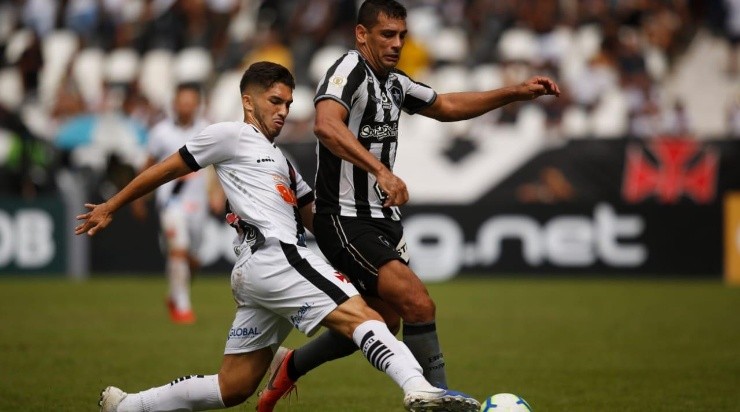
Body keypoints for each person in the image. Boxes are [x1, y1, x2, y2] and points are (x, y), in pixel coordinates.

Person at [76, 61, 480, 412]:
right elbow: (167, 168)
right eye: (275, 101)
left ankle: (129, 405)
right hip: (276, 256)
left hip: (258, 271)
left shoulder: (281, 162)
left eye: (288, 103)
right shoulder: (230, 135)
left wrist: (371, 231)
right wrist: (112, 205)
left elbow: (317, 218)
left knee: (233, 386)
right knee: (366, 318)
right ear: (247, 101)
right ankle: (419, 387)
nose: (284, 111)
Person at [256, 1, 560, 410]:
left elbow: (446, 106)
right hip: (344, 217)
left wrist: (514, 93)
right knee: (418, 302)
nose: (397, 43)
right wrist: (380, 171)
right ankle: (438, 399)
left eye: (402, 35)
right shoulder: (349, 69)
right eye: (387, 34)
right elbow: (326, 125)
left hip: (382, 219)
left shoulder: (395, 83)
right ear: (362, 35)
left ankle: (290, 365)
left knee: (381, 320)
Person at [131, 83, 219, 324]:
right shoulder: (161, 133)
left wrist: (216, 192)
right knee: (178, 248)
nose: (186, 108)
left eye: (190, 103)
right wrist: (138, 198)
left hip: (198, 203)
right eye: (182, 102)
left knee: (194, 259)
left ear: (198, 105)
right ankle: (182, 306)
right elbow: (148, 165)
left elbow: (217, 165)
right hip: (171, 202)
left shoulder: (207, 131)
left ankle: (175, 294)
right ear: (174, 104)